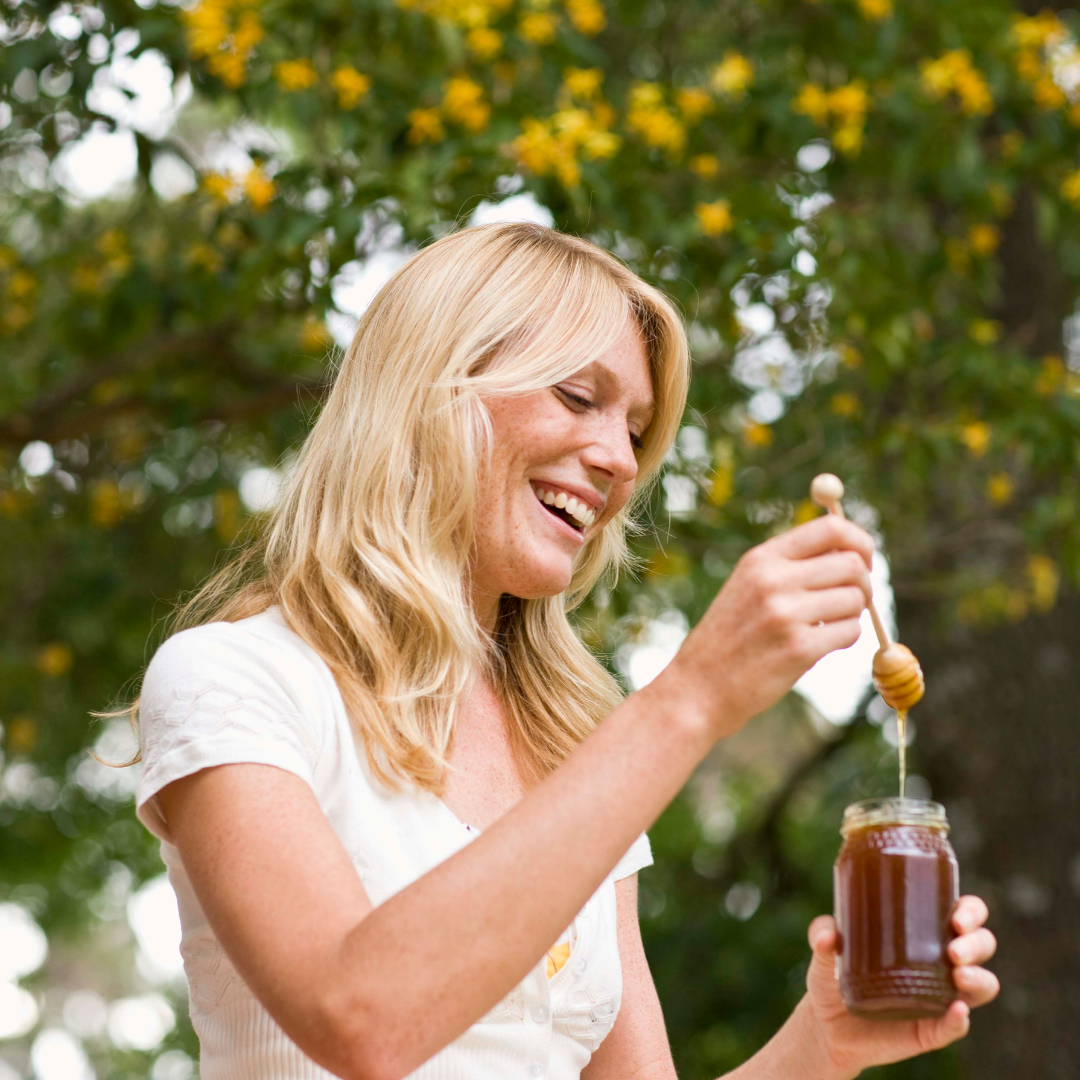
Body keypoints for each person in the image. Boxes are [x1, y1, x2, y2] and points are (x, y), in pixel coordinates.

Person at [127, 222, 997, 1080]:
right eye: (580, 399)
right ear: (431, 387)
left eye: (636, 429)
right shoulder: (235, 679)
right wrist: (689, 699)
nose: (621, 460)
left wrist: (823, 1046)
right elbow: (360, 1021)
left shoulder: (572, 746)